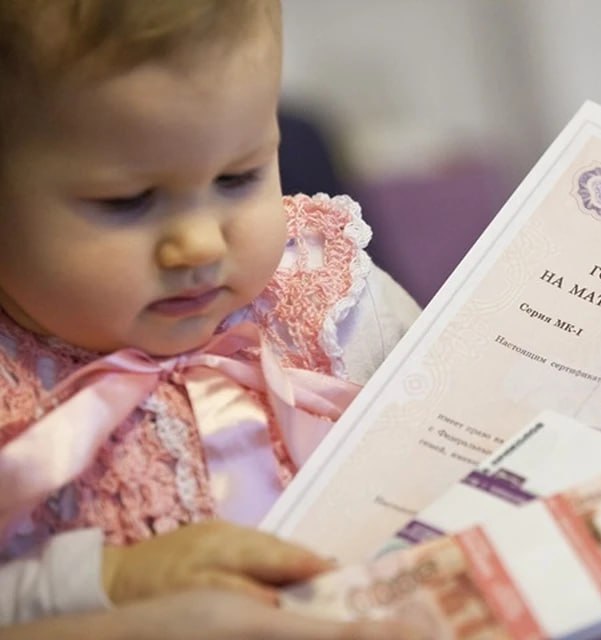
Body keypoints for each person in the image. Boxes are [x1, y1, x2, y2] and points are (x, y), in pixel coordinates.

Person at [0, 0, 420, 634]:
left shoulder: (334, 301)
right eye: (128, 201)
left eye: (237, 178)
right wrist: (106, 581)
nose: (200, 244)